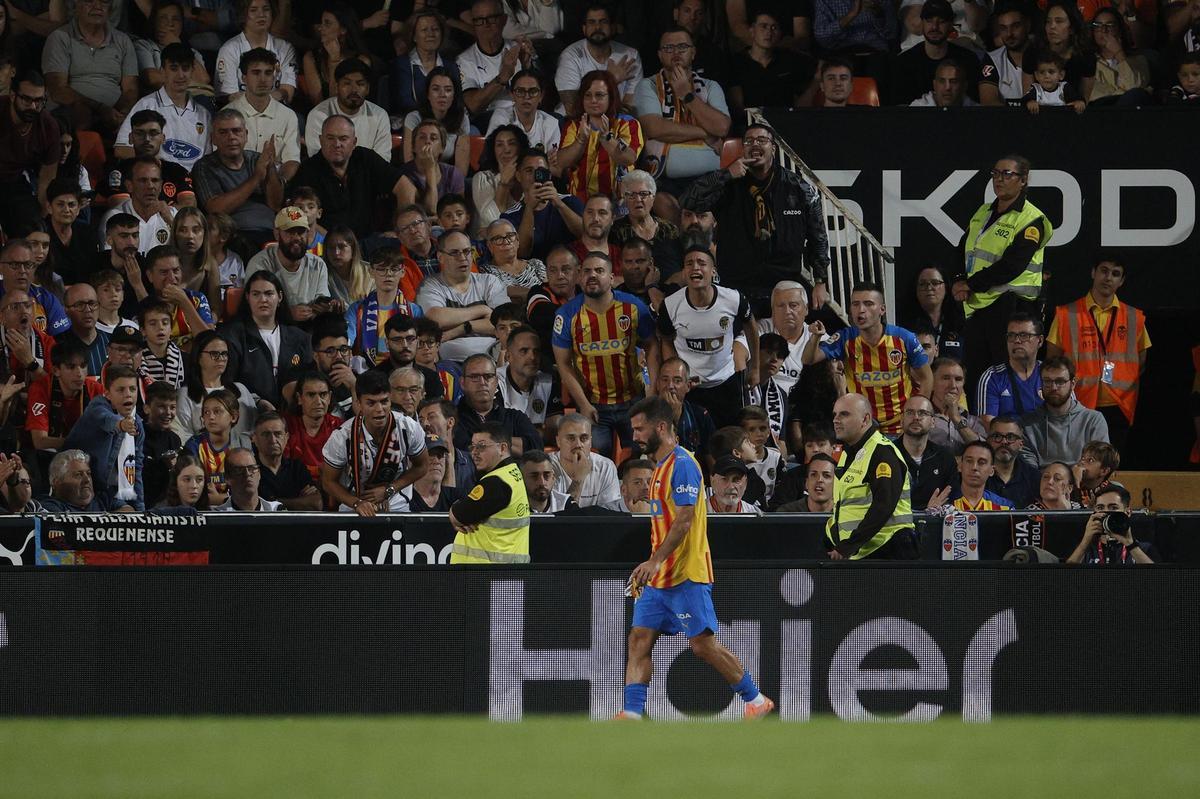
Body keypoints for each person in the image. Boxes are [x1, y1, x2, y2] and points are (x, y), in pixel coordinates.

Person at [617, 395, 774, 720]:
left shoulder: (684, 465)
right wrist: (651, 564)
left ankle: (756, 699)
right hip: (660, 577)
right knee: (639, 638)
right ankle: (631, 714)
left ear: (660, 427)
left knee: (702, 646)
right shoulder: (660, 468)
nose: (635, 436)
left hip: (687, 573)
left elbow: (685, 519)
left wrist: (655, 560)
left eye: (639, 429)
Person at [679, 122, 828, 313]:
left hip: (783, 285)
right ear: (743, 149)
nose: (755, 144)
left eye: (762, 140)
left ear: (773, 149)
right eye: (749, 141)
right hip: (737, 285)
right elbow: (688, 201)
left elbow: (818, 237)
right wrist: (726, 174)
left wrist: (820, 281)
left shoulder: (798, 188)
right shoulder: (728, 185)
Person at [953, 154, 1053, 396]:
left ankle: (1012, 432)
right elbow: (963, 247)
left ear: (1023, 180)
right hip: (978, 306)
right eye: (996, 174)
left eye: (1007, 174)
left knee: (1008, 380)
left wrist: (971, 284)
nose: (999, 179)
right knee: (976, 377)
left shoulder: (1032, 219)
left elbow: (1013, 265)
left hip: (1011, 308)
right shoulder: (984, 211)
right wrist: (958, 279)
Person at [553, 251, 659, 458]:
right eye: (587, 271)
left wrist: (652, 391)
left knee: (641, 460)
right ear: (579, 277)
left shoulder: (633, 307)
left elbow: (652, 345)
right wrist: (583, 404)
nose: (592, 275)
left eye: (599, 270)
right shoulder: (566, 315)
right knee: (599, 464)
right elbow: (563, 364)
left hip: (633, 402)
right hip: (594, 406)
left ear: (611, 278)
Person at [1046, 257, 1149, 456]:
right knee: (1078, 465)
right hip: (1077, 404)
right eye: (1104, 270)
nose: (1108, 278)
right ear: (1093, 273)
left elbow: (1141, 361)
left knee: (1110, 470)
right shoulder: (1067, 314)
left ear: (1122, 281)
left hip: (1119, 405)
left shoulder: (1134, 317)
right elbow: (1052, 361)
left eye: (1115, 273)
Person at [804, 282, 931, 437]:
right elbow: (809, 359)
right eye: (855, 304)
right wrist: (816, 337)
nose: (861, 310)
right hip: (862, 427)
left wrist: (916, 415)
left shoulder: (904, 338)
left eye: (868, 304)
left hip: (899, 428)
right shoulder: (845, 337)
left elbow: (926, 378)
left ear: (882, 310)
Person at [633, 26, 730, 222]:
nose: (676, 53)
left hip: (708, 176)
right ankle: (690, 241)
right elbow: (655, 128)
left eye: (682, 47)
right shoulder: (648, 85)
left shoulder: (711, 86)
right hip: (664, 179)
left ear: (693, 52)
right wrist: (705, 134)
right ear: (660, 55)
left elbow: (721, 127)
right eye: (669, 48)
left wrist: (687, 96)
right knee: (658, 200)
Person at [659, 244, 754, 428]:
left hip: (726, 381)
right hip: (692, 387)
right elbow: (666, 340)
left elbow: (751, 326)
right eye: (689, 264)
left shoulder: (734, 299)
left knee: (731, 438)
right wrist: (679, 378)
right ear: (684, 273)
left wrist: (755, 367)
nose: (695, 267)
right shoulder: (670, 305)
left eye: (701, 263)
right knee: (696, 442)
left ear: (713, 271)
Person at [320, 369, 429, 515]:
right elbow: (328, 482)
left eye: (384, 401)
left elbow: (422, 466)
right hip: (353, 507)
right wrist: (357, 503)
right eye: (371, 403)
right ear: (358, 404)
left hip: (397, 506)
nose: (379, 410)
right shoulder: (342, 437)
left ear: (390, 399)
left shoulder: (408, 428)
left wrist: (390, 489)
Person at [826, 393, 916, 560]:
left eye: (844, 414)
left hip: (890, 550)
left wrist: (849, 546)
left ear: (865, 419)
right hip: (862, 551)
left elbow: (883, 505)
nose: (836, 420)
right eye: (835, 415)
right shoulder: (847, 454)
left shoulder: (882, 452)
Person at [286, 115, 404, 241]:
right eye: (330, 138)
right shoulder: (308, 170)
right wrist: (331, 241)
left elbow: (406, 188)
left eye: (343, 139)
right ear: (321, 140)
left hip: (370, 241)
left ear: (354, 142)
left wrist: (401, 229)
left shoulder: (366, 158)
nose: (337, 144)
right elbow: (293, 212)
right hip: (328, 246)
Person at [41, 0, 138, 134]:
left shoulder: (123, 41)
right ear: (75, 6)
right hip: (72, 111)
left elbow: (131, 89)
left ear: (111, 9)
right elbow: (58, 90)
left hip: (113, 112)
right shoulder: (60, 37)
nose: (97, 6)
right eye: (89, 1)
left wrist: (121, 113)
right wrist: (100, 108)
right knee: (82, 115)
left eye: (104, 1)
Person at [113, 43, 211, 173]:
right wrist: (158, 166)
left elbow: (210, 158)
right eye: (174, 68)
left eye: (185, 68)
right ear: (163, 71)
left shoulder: (204, 114)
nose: (180, 75)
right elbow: (121, 149)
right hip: (159, 179)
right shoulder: (146, 105)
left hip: (195, 182)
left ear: (192, 71)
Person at [221, 269, 311, 408]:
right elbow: (228, 383)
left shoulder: (299, 337)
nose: (263, 299)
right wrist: (256, 401)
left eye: (269, 294)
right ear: (247, 297)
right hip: (248, 411)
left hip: (294, 415)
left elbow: (310, 382)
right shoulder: (233, 335)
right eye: (256, 294)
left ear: (280, 297)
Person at [192, 107, 283, 244]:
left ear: (246, 135)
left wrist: (270, 167)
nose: (231, 137)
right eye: (223, 132)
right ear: (213, 138)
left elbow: (276, 204)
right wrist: (256, 178)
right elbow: (216, 209)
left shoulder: (257, 160)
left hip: (270, 233)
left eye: (236, 131)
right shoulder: (205, 166)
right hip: (233, 238)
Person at [417, 230, 509, 363]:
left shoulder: (489, 281)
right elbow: (435, 318)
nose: (462, 258)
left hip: (494, 360)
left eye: (467, 251)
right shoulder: (431, 285)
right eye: (455, 253)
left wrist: (463, 328)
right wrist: (482, 310)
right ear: (440, 257)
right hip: (451, 364)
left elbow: (505, 324)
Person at [62, 365, 144, 511]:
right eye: (120, 390)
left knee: (130, 515)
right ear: (107, 393)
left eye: (132, 389)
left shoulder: (137, 424)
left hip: (111, 493)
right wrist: (121, 425)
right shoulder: (97, 406)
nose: (128, 394)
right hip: (79, 486)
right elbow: (106, 420)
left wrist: (140, 509)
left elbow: (135, 469)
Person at [448, 421, 531, 562]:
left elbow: (457, 516)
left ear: (503, 448)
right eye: (472, 447)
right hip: (503, 573)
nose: (474, 452)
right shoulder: (512, 473)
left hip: (486, 575)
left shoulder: (496, 482)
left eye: (481, 446)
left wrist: (455, 509)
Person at [554, 69, 641, 204]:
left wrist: (606, 137)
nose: (593, 100)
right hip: (580, 202)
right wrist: (581, 139)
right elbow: (562, 162)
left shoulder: (627, 123)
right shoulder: (573, 125)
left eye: (599, 95)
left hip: (619, 202)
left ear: (610, 97)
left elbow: (629, 158)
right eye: (587, 95)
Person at [226, 48, 301, 183]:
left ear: (274, 77)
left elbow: (292, 161)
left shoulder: (288, 116)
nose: (262, 79)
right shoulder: (227, 115)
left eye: (268, 73)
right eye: (256, 73)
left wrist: (278, 185)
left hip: (275, 186)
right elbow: (221, 161)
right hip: (236, 186)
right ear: (244, 78)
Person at [1020, 355, 1110, 468]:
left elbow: (1098, 464)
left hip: (1083, 483)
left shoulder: (1093, 420)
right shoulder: (1028, 423)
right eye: (1047, 381)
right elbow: (1029, 471)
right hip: (1044, 483)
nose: (1053, 387)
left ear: (1072, 384)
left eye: (1060, 381)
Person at [245, 208, 334, 321]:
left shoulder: (317, 264)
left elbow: (322, 298)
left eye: (301, 232)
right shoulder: (260, 264)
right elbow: (253, 307)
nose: (296, 237)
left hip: (311, 324)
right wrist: (288, 314)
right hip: (274, 324)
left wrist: (325, 307)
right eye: (290, 232)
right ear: (277, 234)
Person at [554, 2, 642, 117]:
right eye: (591, 22)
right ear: (584, 28)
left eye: (603, 22)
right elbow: (572, 110)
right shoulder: (571, 56)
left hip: (614, 122)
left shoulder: (630, 56)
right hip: (573, 124)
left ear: (612, 27)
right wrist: (611, 79)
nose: (597, 27)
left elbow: (630, 109)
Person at [457, 0, 536, 126]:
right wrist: (503, 77)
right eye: (479, 20)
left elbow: (540, 98)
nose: (486, 24)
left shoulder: (519, 50)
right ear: (474, 24)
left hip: (523, 117)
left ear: (504, 20)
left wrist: (528, 67)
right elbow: (472, 106)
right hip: (487, 121)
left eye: (492, 18)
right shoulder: (464, 60)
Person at [0, 71, 60, 234]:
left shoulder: (48, 126)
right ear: (13, 96)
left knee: (31, 227)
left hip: (15, 182)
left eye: (39, 101)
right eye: (27, 99)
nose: (33, 107)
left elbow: (47, 178)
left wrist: (39, 218)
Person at [173, 328, 260, 439]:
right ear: (198, 357)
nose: (221, 359)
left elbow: (255, 428)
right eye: (214, 354)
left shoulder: (240, 389)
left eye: (224, 354)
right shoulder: (186, 394)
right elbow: (184, 434)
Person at [892, 0, 982, 105]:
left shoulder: (968, 59)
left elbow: (975, 107)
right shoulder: (904, 62)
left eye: (942, 21)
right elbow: (899, 109)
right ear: (922, 23)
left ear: (950, 25)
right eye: (929, 20)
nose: (935, 27)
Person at [500, 149, 584, 261]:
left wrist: (559, 204)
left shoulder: (570, 201)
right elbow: (522, 253)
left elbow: (586, 235)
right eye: (529, 171)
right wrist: (529, 208)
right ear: (519, 176)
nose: (535, 176)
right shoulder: (509, 216)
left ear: (549, 174)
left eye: (541, 171)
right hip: (533, 274)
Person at [346, 248, 424, 367]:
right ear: (371, 271)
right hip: (366, 373)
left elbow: (420, 345)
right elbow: (346, 342)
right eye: (382, 269)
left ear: (403, 272)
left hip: (405, 370)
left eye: (394, 269)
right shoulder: (357, 309)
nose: (388, 274)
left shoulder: (414, 310)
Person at [25, 337, 101, 457]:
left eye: (83, 366)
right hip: (48, 459)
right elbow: (40, 441)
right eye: (71, 367)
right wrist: (79, 443)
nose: (79, 374)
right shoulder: (40, 388)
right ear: (56, 370)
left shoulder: (96, 390)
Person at [727, 10, 816, 114]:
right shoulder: (737, 62)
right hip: (749, 124)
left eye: (774, 27)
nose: (769, 32)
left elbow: (800, 103)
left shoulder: (790, 60)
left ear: (780, 34)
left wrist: (817, 81)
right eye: (763, 26)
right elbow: (737, 107)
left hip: (785, 121)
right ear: (752, 30)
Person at [452, 352, 541, 454]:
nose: (482, 382)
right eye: (474, 377)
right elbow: (462, 449)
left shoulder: (515, 417)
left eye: (488, 376)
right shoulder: (452, 418)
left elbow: (535, 446)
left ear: (496, 381)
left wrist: (485, 443)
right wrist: (504, 443)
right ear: (462, 383)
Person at [132, 245, 214, 351]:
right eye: (164, 272)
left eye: (176, 271)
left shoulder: (196, 299)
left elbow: (210, 343)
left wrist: (184, 302)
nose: (171, 278)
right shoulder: (142, 308)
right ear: (150, 276)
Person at [214, 0, 297, 103]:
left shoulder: (285, 48)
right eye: (253, 10)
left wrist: (264, 100)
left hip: (277, 111)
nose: (261, 15)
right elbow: (228, 97)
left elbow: (287, 92)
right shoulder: (229, 50)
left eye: (266, 9)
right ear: (243, 15)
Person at [610, 170, 683, 280]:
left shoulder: (669, 229)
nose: (638, 199)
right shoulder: (615, 231)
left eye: (643, 194)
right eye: (631, 195)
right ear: (625, 199)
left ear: (653, 198)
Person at [976, 311, 1044, 425]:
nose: (1017, 341)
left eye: (1024, 335)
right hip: (1007, 441)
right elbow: (989, 427)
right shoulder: (992, 377)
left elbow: (1070, 416)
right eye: (1011, 336)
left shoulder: (1051, 373)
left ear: (1040, 340)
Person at [301, 4, 376, 107]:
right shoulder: (311, 58)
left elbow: (348, 103)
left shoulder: (361, 61)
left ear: (343, 30)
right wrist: (333, 60)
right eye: (321, 22)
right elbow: (320, 104)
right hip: (321, 117)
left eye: (327, 23)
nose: (320, 28)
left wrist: (334, 61)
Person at [99, 157, 177, 255]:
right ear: (129, 186)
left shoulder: (172, 215)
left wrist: (171, 221)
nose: (150, 186)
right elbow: (109, 261)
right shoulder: (114, 217)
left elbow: (189, 255)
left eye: (155, 180)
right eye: (143, 180)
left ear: (161, 185)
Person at [392, 9, 462, 117]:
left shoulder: (450, 66)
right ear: (414, 36)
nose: (431, 34)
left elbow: (457, 101)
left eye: (435, 29)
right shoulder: (401, 65)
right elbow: (404, 102)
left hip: (446, 121)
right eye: (424, 30)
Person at [401, 66, 471, 174]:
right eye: (436, 89)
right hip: (417, 178)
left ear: (454, 95)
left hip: (448, 179)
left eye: (448, 90)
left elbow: (461, 170)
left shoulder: (462, 119)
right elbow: (409, 163)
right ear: (427, 94)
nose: (442, 95)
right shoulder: (414, 118)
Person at [895, 394, 956, 511]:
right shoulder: (886, 454)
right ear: (901, 421)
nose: (916, 417)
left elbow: (951, 498)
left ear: (933, 422)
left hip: (934, 525)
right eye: (910, 412)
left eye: (922, 413)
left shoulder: (945, 458)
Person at [1066, 483, 1154, 564]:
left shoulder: (1144, 548)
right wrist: (1085, 541)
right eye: (1100, 507)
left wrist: (1130, 545)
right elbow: (1064, 578)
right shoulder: (1084, 549)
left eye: (1113, 508)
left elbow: (1156, 578)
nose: (1107, 512)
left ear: (1128, 512)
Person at [497, 325, 562, 435]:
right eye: (524, 351)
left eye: (536, 351)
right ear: (508, 356)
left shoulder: (549, 382)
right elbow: (499, 434)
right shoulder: (494, 382)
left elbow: (554, 430)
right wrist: (538, 432)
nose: (532, 357)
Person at [249, 412, 321, 510]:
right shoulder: (248, 470)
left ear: (286, 437)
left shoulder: (297, 468)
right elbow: (248, 504)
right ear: (254, 439)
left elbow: (316, 503)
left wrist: (270, 502)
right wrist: (298, 501)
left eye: (278, 434)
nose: (273, 440)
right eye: (266, 434)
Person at [548, 412, 619, 508]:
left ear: (590, 442)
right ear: (558, 441)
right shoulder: (547, 467)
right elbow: (556, 517)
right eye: (571, 438)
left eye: (584, 438)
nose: (578, 444)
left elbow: (610, 515)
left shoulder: (605, 467)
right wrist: (578, 480)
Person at [0, 237, 68, 336]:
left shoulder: (47, 299)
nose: (22, 271)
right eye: (15, 265)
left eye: (28, 265)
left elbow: (63, 340)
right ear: (1, 267)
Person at [484, 68, 559, 154]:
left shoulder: (551, 123)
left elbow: (553, 162)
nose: (526, 97)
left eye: (533, 91)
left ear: (541, 96)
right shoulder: (501, 117)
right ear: (512, 95)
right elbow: (492, 154)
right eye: (520, 91)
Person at [284, 372, 341, 482]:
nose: (318, 401)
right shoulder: (285, 426)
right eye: (311, 395)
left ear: (329, 397)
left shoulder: (340, 428)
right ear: (299, 398)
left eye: (323, 394)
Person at [1087, 8, 1151, 107]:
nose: (1104, 30)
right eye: (1098, 25)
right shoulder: (1087, 63)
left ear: (1120, 30)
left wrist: (1119, 53)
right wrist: (1123, 92)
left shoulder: (1140, 60)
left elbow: (1134, 91)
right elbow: (1095, 96)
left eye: (1110, 25)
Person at [524, 245, 579, 360]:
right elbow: (542, 316)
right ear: (547, 273)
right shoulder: (538, 292)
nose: (560, 276)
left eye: (566, 269)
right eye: (553, 270)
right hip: (550, 366)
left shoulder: (587, 292)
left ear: (578, 271)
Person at [902, 265, 963, 364]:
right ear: (916, 289)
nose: (929, 288)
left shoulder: (959, 322)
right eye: (922, 284)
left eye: (935, 283)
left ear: (946, 287)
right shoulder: (903, 325)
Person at [926, 357, 985, 455]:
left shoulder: (974, 422)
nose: (953, 385)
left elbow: (984, 452)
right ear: (931, 383)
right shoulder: (921, 417)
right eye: (946, 378)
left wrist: (956, 419)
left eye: (958, 379)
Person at [37, 449, 126, 512]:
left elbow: (129, 510)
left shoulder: (103, 499)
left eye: (88, 473)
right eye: (78, 475)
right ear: (56, 482)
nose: (87, 480)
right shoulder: (48, 506)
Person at [481, 218, 545, 302]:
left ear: (517, 240)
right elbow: (500, 293)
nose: (506, 241)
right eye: (498, 238)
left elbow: (550, 290)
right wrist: (538, 294)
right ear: (490, 246)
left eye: (510, 236)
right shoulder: (486, 272)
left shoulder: (536, 264)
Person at [418, 396, 477, 489]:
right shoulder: (416, 463)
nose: (425, 424)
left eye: (431, 417)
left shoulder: (472, 462)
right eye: (421, 420)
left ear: (450, 422)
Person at [141, 379, 181, 507]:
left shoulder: (175, 440)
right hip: (142, 505)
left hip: (168, 505)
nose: (168, 413)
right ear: (147, 408)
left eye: (172, 407)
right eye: (162, 406)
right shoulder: (136, 437)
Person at [985, 416, 1039, 509]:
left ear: (1021, 444)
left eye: (1010, 437)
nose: (1004, 442)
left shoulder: (1034, 478)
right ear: (988, 441)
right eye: (997, 436)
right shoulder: (976, 474)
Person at [943, 441, 1012, 511]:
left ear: (992, 470)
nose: (974, 467)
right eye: (969, 461)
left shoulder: (1004, 507)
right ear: (960, 466)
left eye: (981, 462)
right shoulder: (943, 505)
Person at [213, 446, 281, 511]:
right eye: (239, 470)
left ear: (259, 474)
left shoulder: (276, 511)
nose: (247, 474)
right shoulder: (217, 517)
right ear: (227, 478)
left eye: (251, 468)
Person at [409, 434, 466, 512]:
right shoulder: (405, 499)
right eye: (430, 454)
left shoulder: (456, 498)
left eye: (440, 455)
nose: (436, 461)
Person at [568, 193, 622, 274]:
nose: (595, 218)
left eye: (602, 213)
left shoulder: (621, 255)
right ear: (583, 216)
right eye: (590, 212)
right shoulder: (568, 254)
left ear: (612, 219)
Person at [138, 300, 184, 389]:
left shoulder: (185, 359)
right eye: (153, 324)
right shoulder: (136, 359)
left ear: (171, 328)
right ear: (143, 330)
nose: (160, 327)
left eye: (165, 323)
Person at [1022, 50, 1086, 113]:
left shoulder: (1064, 88)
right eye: (1042, 72)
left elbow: (1078, 99)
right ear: (1036, 76)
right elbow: (1023, 102)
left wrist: (1079, 102)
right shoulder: (1036, 90)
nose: (1046, 76)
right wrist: (1030, 102)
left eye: (1051, 72)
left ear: (1061, 75)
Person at [520, 448, 575, 513]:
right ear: (521, 478)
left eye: (546, 475)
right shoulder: (511, 506)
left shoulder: (566, 505)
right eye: (534, 476)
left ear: (553, 478)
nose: (542, 482)